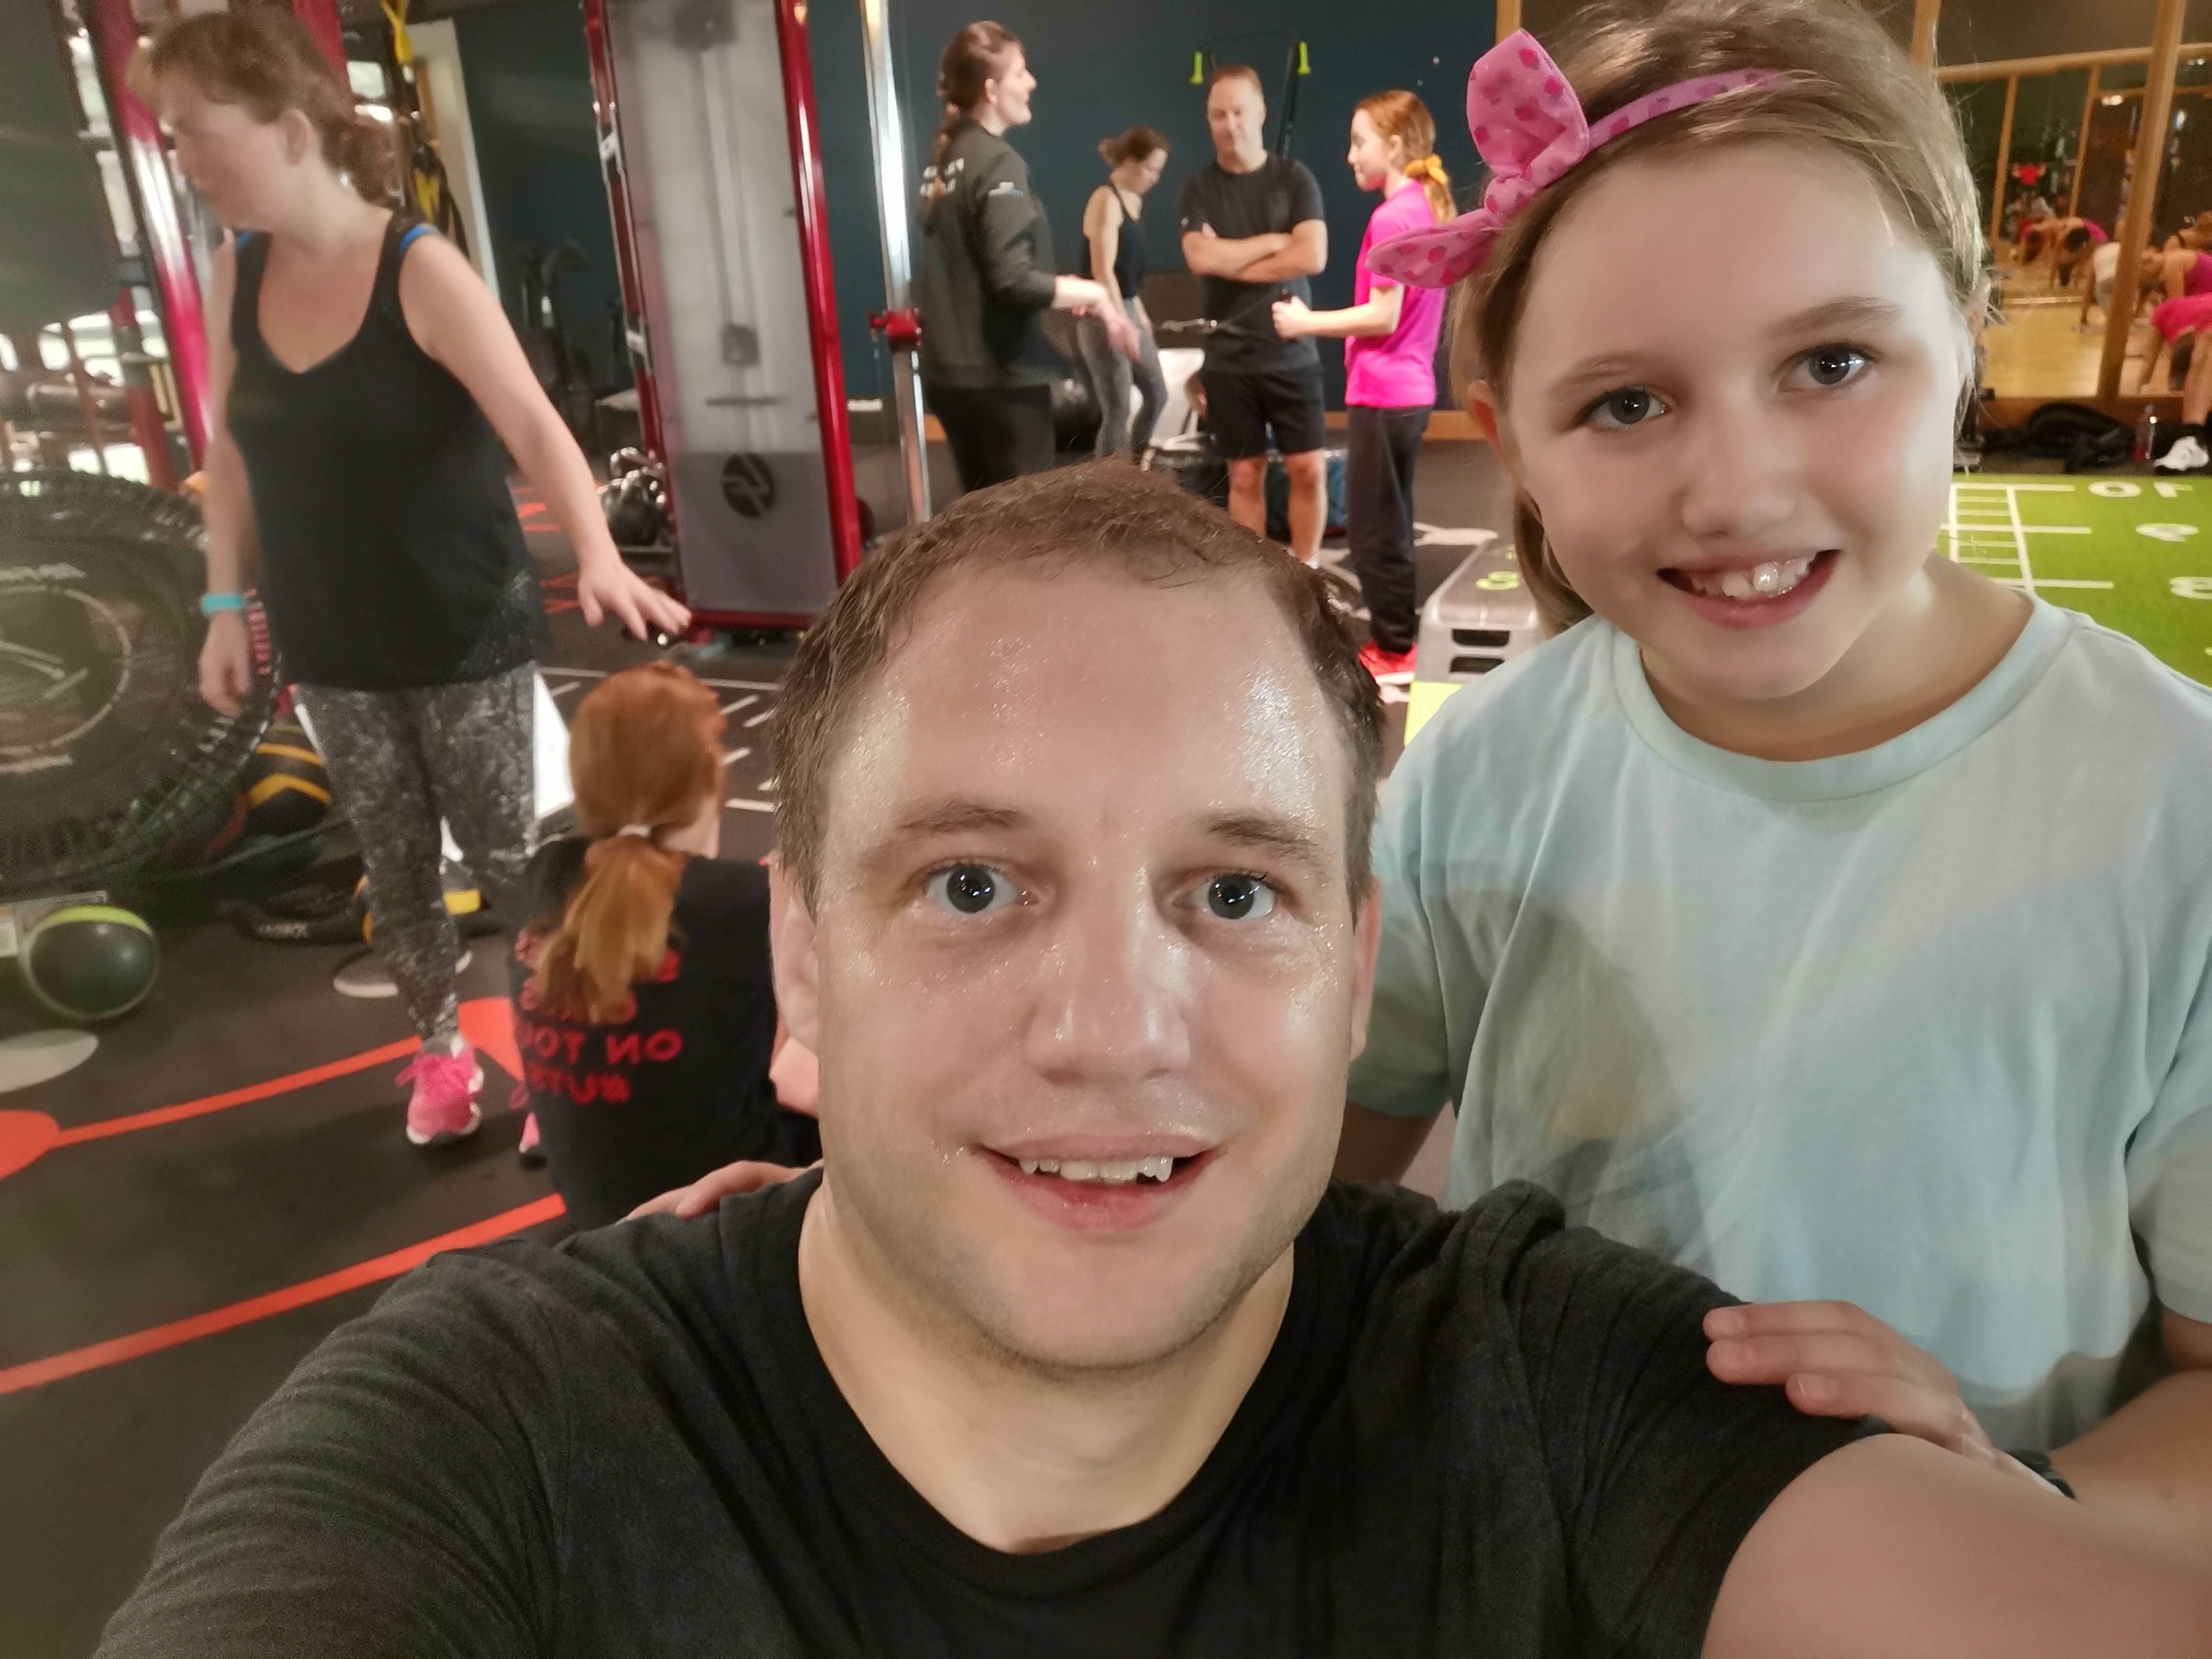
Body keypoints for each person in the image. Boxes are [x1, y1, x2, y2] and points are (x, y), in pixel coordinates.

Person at [96, 464, 2212, 1657]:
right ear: (800, 967)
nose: (1112, 1028)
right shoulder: (486, 1443)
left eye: (1230, 891)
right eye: (970, 884)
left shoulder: (1558, 1388)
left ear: (1354, 969)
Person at [1345, 0, 2212, 1552]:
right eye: (1624, 403)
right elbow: (1292, 1189)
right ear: (1511, 441)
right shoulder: (1473, 778)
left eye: (1830, 361)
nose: (1736, 491)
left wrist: (2013, 1497)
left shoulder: (2172, 812)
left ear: (1963, 344)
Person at [140, 11, 688, 1148]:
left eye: (196, 131)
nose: (179, 157)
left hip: (461, 627)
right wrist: (221, 604)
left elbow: (533, 426)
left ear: (290, 131)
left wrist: (596, 553)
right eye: (169, 133)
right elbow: (230, 459)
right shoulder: (234, 274)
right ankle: (440, 1055)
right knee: (395, 874)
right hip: (332, 639)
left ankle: (555, 1058)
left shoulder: (417, 269)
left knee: (511, 864)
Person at [507, 663, 819, 1228]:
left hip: (594, 1216)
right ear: (709, 782)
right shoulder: (751, 898)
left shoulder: (541, 878)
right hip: (726, 1217)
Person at [1273, 92, 1453, 682]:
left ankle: (1395, 647)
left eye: (1359, 143)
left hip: (1385, 393)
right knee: (1390, 522)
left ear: (1394, 146)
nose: (1351, 156)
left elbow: (1382, 315)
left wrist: (1305, 322)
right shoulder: (1423, 207)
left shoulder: (1393, 217)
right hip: (1406, 393)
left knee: (1376, 529)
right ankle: (1398, 636)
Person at [915, 22, 1137, 493]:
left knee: (981, 518)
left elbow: (981, 272)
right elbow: (1011, 278)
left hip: (949, 377)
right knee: (1024, 528)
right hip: (1001, 382)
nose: (1032, 82)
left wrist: (1063, 291)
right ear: (991, 90)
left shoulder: (945, 160)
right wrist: (1095, 293)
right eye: (1021, 72)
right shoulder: (999, 162)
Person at [1177, 64, 1330, 564]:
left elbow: (1312, 255)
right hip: (1229, 359)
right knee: (1244, 475)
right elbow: (1200, 258)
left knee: (1308, 470)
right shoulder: (1198, 188)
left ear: (1261, 112)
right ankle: (1259, 580)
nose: (1230, 124)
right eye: (1218, 115)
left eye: (1239, 112)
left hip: (1291, 352)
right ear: (1208, 120)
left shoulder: (1294, 179)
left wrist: (1231, 260)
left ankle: (1308, 573)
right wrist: (1274, 241)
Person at [1077, 125, 1171, 457]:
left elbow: (1127, 277)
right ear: (1130, 161)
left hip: (1127, 305)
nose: (1156, 179)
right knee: (1118, 408)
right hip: (1102, 314)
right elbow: (1103, 272)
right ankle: (1108, 482)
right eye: (1151, 169)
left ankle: (1136, 470)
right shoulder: (1106, 200)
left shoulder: (1134, 202)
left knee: (1158, 394)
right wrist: (1120, 322)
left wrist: (1140, 316)